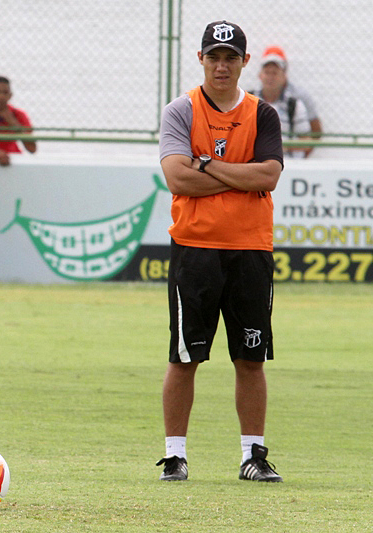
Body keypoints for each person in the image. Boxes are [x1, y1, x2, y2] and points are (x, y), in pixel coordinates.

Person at [156, 20, 284, 483]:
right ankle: (175, 456)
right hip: (195, 248)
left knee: (251, 356)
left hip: (250, 248)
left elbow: (268, 176)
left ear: (245, 62)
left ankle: (254, 455)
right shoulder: (181, 110)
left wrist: (207, 162)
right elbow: (177, 178)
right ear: (201, 60)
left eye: (232, 57)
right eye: (215, 56)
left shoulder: (262, 114)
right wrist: (238, 173)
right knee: (185, 356)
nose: (223, 65)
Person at [251, 46, 322, 158]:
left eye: (275, 73)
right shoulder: (249, 100)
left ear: (284, 75)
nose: (270, 77)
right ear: (260, 75)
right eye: (267, 72)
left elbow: (311, 135)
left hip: (286, 162)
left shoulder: (295, 102)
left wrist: (286, 150)